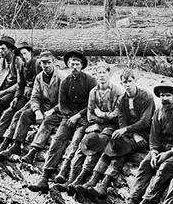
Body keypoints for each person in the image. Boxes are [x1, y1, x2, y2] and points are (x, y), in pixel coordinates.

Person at [107, 85, 173, 204]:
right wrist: (153, 152)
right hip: (161, 148)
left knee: (164, 169)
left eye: (168, 95)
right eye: (162, 95)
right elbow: (154, 136)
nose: (164, 98)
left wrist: (169, 153)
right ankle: (132, 201)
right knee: (145, 165)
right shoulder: (158, 112)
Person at [75, 69, 154, 203]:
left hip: (144, 135)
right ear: (122, 83)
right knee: (112, 143)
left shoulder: (146, 97)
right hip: (130, 133)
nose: (128, 85)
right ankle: (93, 179)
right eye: (125, 82)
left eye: (130, 81)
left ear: (136, 81)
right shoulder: (122, 99)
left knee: (122, 148)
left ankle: (105, 183)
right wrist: (129, 132)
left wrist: (132, 132)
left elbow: (145, 121)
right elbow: (122, 120)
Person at [26, 52, 95, 192]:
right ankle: (45, 177)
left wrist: (77, 116)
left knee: (75, 142)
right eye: (72, 64)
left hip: (84, 118)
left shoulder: (90, 80)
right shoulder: (66, 81)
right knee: (57, 140)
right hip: (68, 116)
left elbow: (92, 103)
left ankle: (65, 174)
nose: (74, 67)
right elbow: (62, 104)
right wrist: (69, 115)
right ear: (68, 65)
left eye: (77, 64)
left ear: (82, 66)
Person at [51, 62, 121, 193]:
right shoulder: (93, 92)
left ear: (109, 74)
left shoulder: (117, 91)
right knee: (82, 146)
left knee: (96, 145)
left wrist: (102, 115)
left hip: (111, 127)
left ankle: (81, 179)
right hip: (96, 124)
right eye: (99, 73)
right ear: (96, 75)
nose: (102, 76)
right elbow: (90, 114)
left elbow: (116, 114)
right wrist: (98, 120)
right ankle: (70, 180)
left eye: (104, 73)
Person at [0, 51, 61, 161]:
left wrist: (53, 110)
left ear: (53, 62)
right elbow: (35, 97)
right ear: (40, 64)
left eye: (49, 62)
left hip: (57, 108)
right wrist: (36, 111)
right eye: (43, 63)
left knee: (47, 122)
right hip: (44, 105)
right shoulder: (39, 77)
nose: (46, 65)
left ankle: (33, 152)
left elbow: (65, 101)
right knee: (25, 114)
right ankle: (16, 145)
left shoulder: (61, 77)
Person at [0, 41, 37, 158]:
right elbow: (20, 84)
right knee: (8, 112)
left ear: (30, 53)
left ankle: (5, 146)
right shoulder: (22, 65)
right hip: (24, 96)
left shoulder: (37, 65)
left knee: (17, 115)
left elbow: (40, 86)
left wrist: (30, 89)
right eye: (21, 54)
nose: (23, 57)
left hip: (36, 99)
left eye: (25, 53)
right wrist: (16, 97)